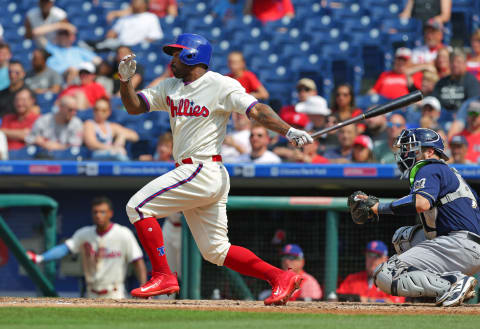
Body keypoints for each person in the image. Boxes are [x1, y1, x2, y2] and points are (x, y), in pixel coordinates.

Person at [118, 33, 313, 305]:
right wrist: (125, 82)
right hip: (200, 174)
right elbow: (135, 107)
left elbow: (257, 110)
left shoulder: (220, 84)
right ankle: (280, 277)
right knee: (215, 251)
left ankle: (163, 275)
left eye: (176, 53)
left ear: (192, 55)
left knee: (137, 207)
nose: (172, 59)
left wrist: (288, 130)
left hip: (201, 168)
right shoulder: (170, 87)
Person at [348, 127, 480, 307]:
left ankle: (451, 283)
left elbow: (421, 203)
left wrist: (379, 207)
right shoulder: (450, 173)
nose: (405, 153)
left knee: (385, 274)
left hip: (458, 246)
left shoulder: (429, 167)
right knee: (403, 238)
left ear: (430, 152)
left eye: (412, 148)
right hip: (464, 246)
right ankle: (445, 281)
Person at [27, 196, 147, 299]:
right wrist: (40, 258)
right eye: (95, 212)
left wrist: (143, 288)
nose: (98, 215)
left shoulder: (123, 233)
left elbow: (137, 261)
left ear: (110, 213)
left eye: (102, 212)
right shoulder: (84, 234)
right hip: (91, 293)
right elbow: (64, 249)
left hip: (115, 292)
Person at [337, 241, 405, 303]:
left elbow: (395, 302)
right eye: (369, 255)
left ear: (385, 259)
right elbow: (338, 297)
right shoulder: (352, 279)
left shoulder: (394, 280)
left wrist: (363, 300)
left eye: (376, 256)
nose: (372, 260)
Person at [33, 22, 101, 81]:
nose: (63, 36)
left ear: (73, 37)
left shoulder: (79, 50)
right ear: (57, 36)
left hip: (80, 78)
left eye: (66, 34)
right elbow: (35, 32)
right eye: (60, 33)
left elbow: (99, 62)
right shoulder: (52, 49)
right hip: (58, 80)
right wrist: (60, 25)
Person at [98, 0, 163, 50]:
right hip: (120, 47)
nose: (133, 2)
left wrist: (136, 46)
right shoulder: (125, 17)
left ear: (145, 4)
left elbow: (155, 37)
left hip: (138, 49)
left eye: (137, 1)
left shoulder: (151, 17)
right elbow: (111, 34)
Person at [433, 48, 480, 113]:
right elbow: (434, 101)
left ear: (465, 63)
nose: (455, 64)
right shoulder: (441, 82)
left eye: (458, 62)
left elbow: (473, 104)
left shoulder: (472, 82)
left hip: (463, 117)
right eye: (452, 61)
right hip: (441, 117)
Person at [107, 0, 178, 22]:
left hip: (159, 22)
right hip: (142, 21)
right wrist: (114, 13)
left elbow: (172, 15)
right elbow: (130, 10)